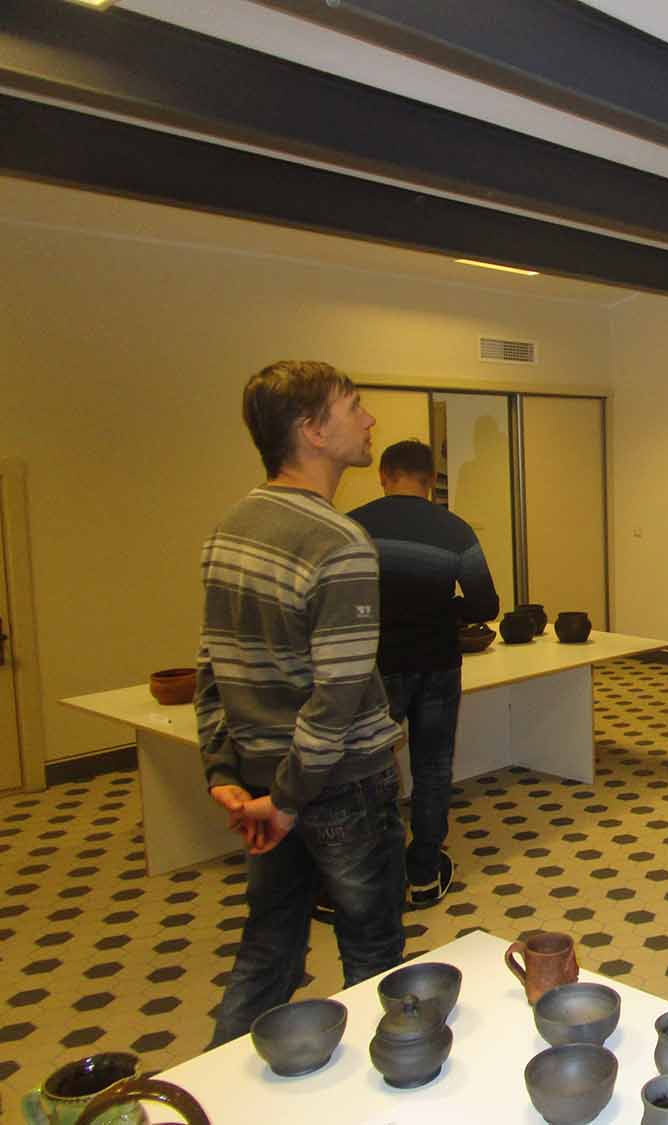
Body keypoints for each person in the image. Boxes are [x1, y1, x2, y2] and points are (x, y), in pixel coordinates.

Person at [197, 360, 405, 1046]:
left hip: (265, 781)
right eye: (354, 406)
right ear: (313, 431)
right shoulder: (340, 543)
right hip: (338, 786)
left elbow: (211, 667)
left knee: (267, 951)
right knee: (374, 960)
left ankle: (208, 1092)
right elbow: (337, 696)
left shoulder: (229, 527)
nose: (369, 419)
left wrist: (224, 772)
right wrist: (287, 801)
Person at [349, 439, 500, 907]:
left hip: (375, 667)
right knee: (433, 767)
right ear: (432, 479)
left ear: (383, 475)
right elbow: (485, 605)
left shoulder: (353, 526)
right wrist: (441, 610)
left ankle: (375, 873)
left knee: (369, 768)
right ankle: (425, 872)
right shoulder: (454, 530)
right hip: (437, 662)